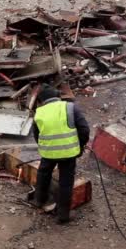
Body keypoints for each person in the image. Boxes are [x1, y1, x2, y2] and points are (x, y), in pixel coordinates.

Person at [32, 84, 90, 224]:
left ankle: (39, 200)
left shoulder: (38, 113)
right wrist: (80, 146)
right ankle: (63, 215)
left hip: (48, 152)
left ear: (42, 101)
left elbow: (37, 136)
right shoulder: (70, 107)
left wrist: (47, 147)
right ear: (58, 96)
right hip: (68, 152)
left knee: (43, 174)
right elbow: (84, 130)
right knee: (66, 182)